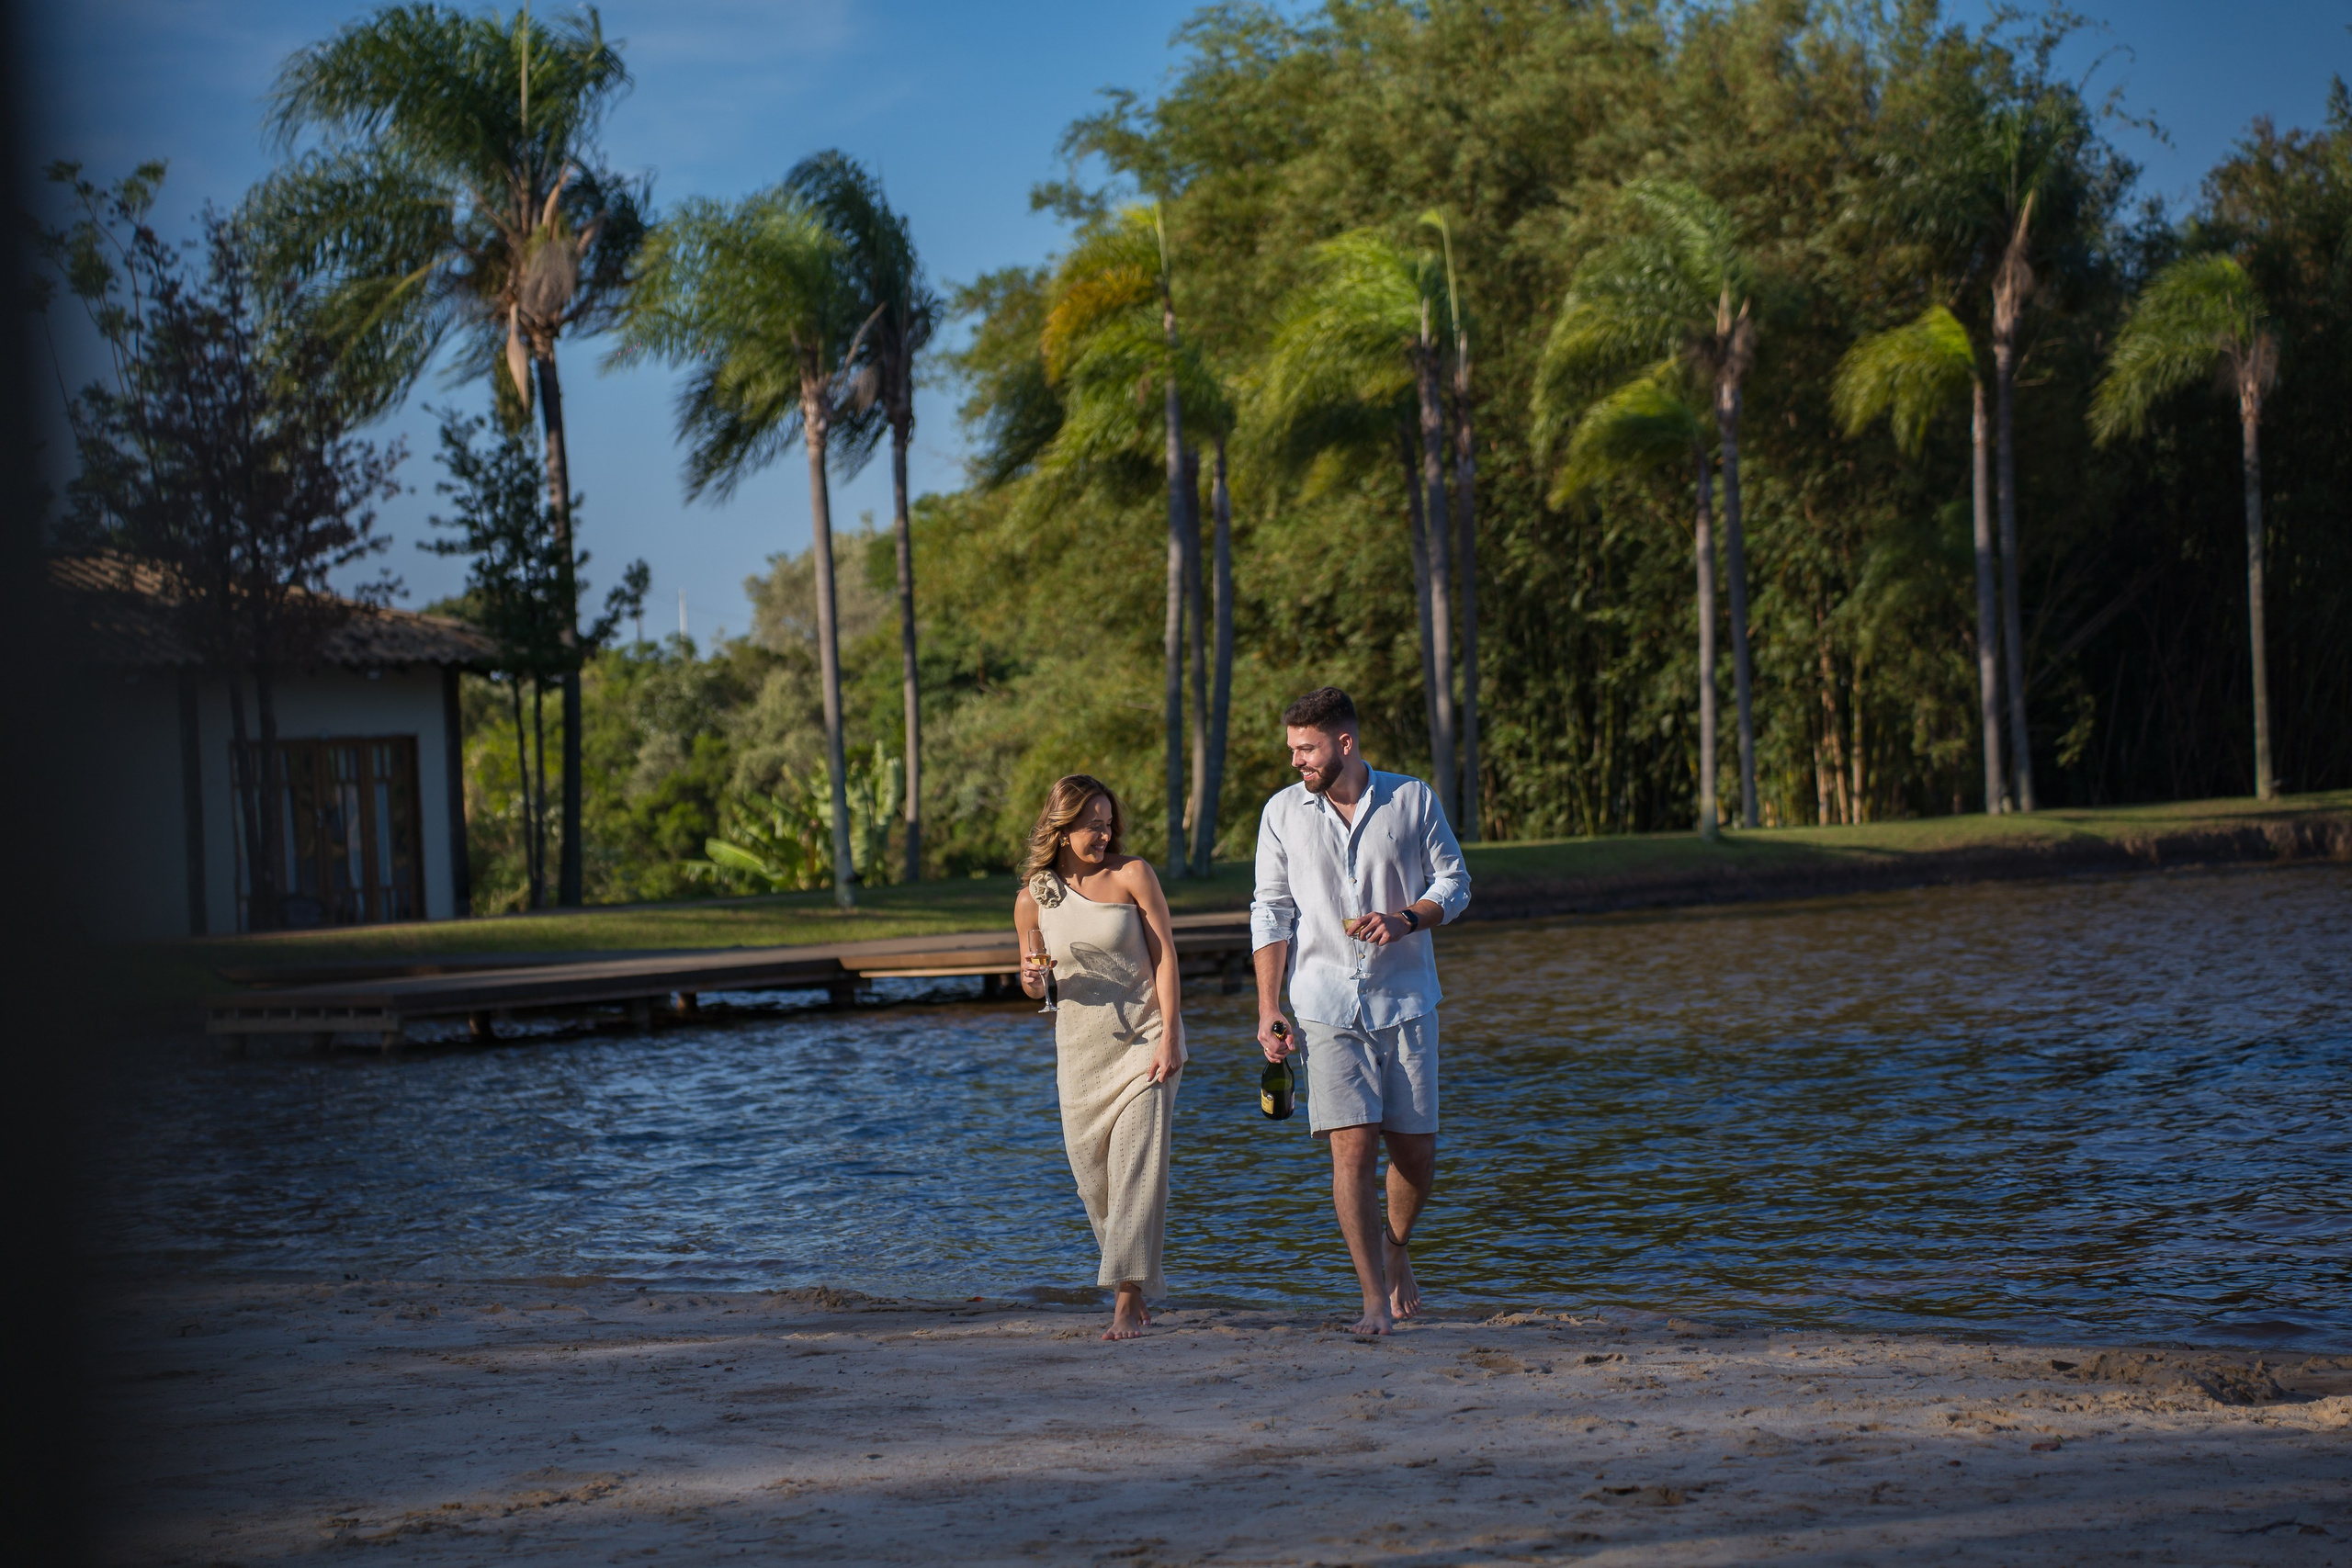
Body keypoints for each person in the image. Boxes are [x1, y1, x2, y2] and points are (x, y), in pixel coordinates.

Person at [1250, 687, 1469, 1335]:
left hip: (1405, 1000)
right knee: (1352, 1149)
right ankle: (1373, 1298)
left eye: (1307, 748)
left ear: (1344, 742)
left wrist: (1405, 919)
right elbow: (1271, 910)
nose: (1296, 761)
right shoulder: (1282, 813)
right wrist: (1268, 1006)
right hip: (1322, 1003)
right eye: (1291, 748)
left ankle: (1396, 1247)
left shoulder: (1412, 798)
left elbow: (1454, 883)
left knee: (1415, 1153)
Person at [1014, 774, 1188, 1341]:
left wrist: (1169, 1036)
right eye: (1093, 824)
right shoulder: (1033, 899)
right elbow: (1035, 984)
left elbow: (1165, 958)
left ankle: (1125, 1298)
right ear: (1062, 829)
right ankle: (1134, 1288)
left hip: (1145, 1043)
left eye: (1109, 823)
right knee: (1096, 1185)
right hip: (1080, 1054)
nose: (1104, 833)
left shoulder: (1132, 873)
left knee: (1138, 1171)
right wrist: (1032, 978)